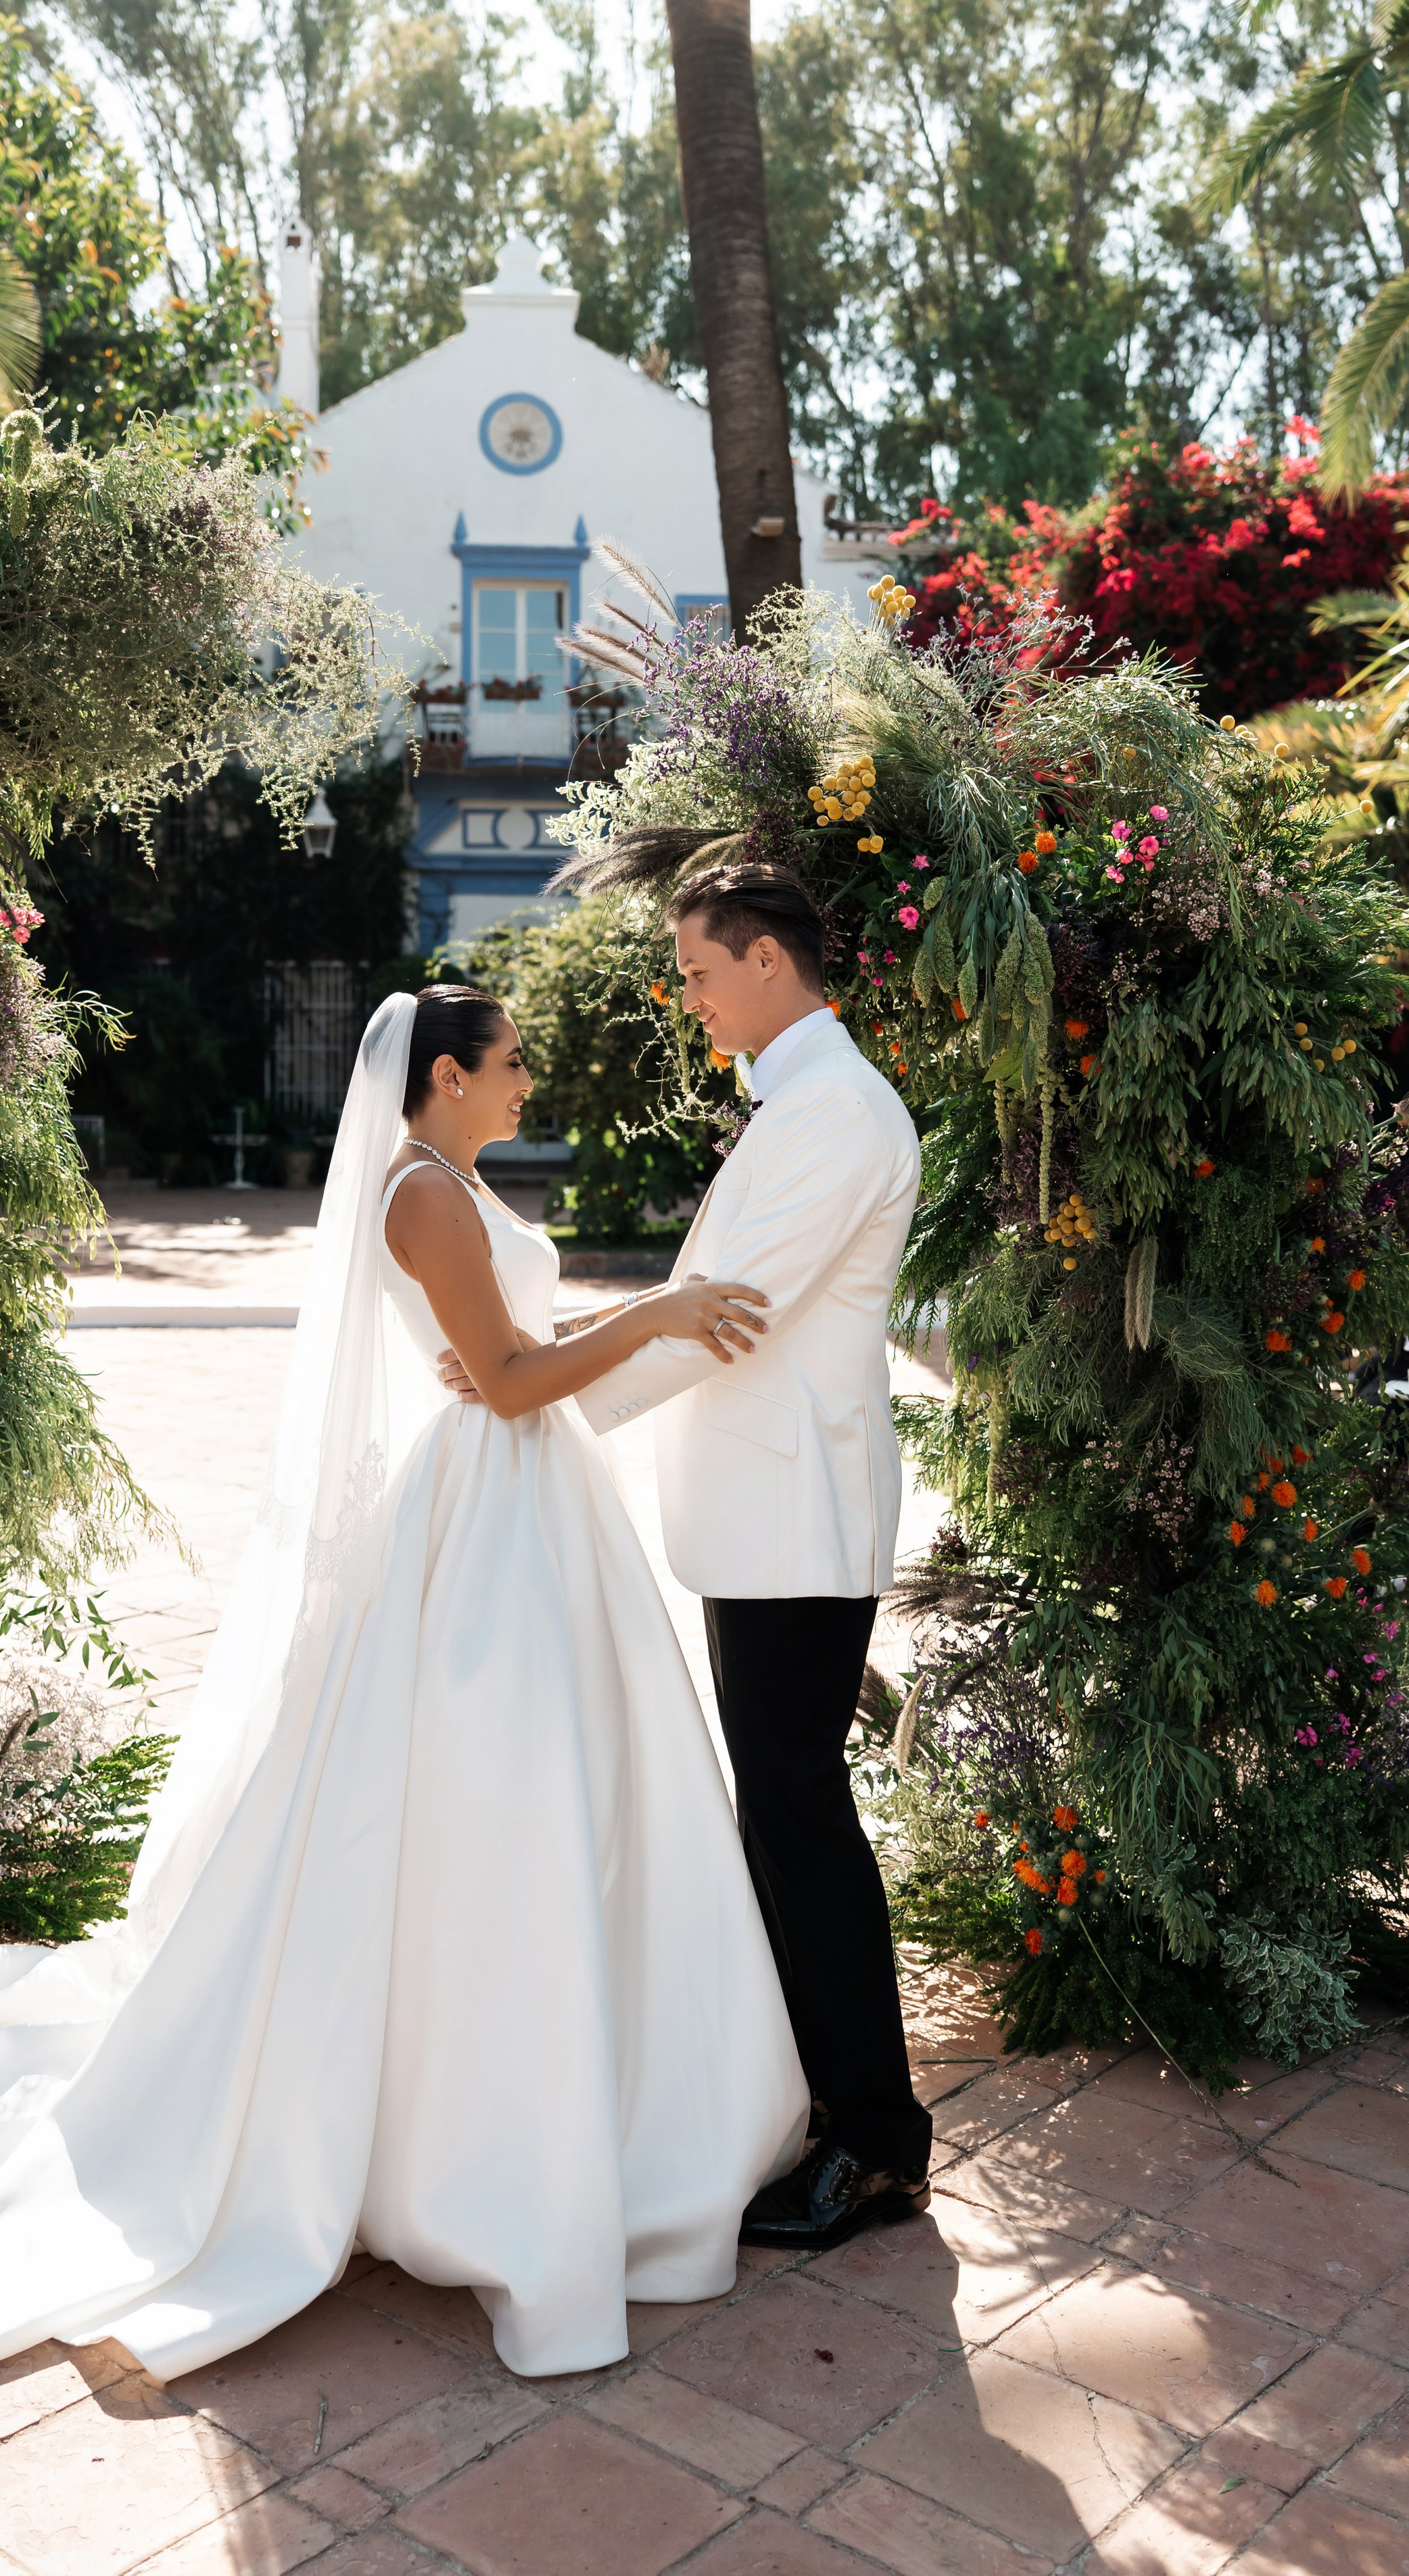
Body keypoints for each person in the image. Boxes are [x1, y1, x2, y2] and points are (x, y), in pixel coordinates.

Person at [0, 988, 808, 2385]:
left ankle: (584, 2097)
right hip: (487, 1518)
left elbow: (508, 1354)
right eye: (514, 1060)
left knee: (571, 1801)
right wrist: (660, 1314)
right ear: (444, 1077)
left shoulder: (458, 1183)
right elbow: (509, 1379)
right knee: (487, 1803)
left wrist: (597, 1326)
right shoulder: (421, 1195)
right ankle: (463, 2138)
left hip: (532, 1511)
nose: (529, 1077)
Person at [453, 865, 934, 2251]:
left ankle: (875, 2142)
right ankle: (826, 2105)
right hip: (767, 1514)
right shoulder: (800, 1101)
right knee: (782, 1811)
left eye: (701, 971)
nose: (688, 994)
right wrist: (535, 1382)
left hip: (795, 1518)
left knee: (797, 1816)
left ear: (770, 960)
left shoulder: (834, 1112)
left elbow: (735, 1317)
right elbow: (700, 1302)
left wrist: (538, 1398)